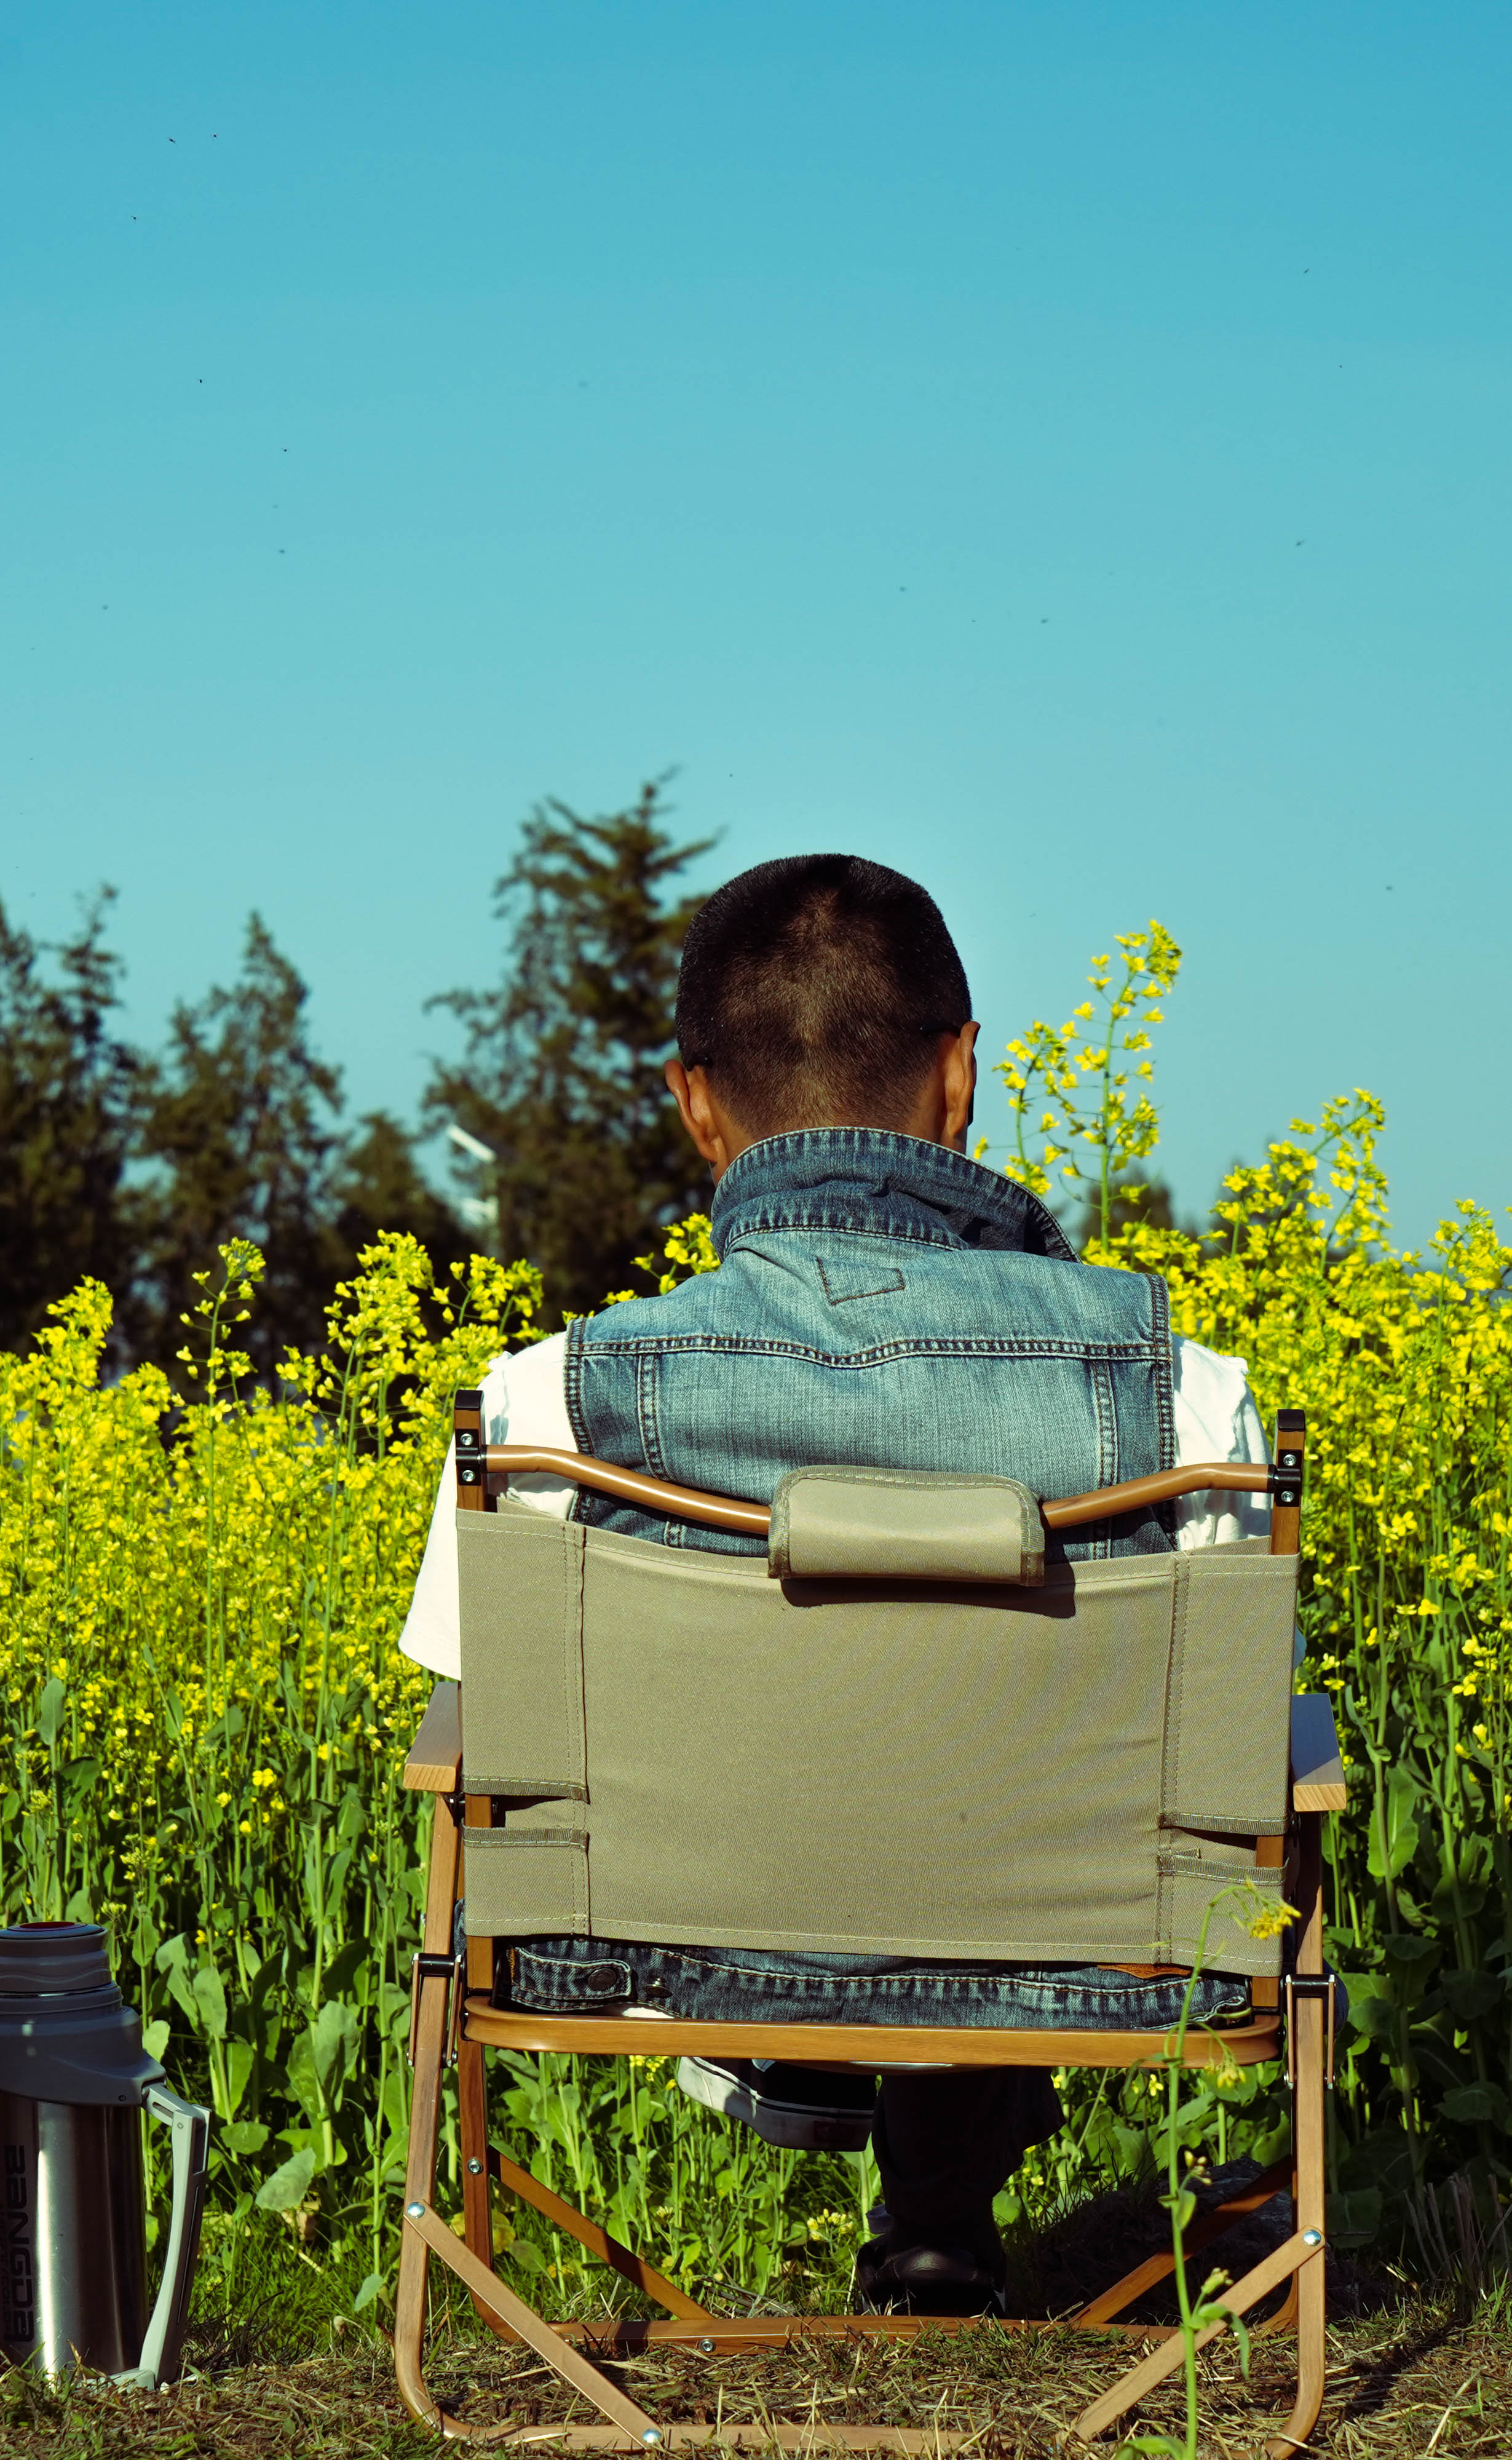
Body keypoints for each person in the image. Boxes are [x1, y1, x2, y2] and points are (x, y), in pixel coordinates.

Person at [402, 854, 1270, 2315]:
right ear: (960, 1073)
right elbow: (1234, 1751)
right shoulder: (1180, 1398)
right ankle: (942, 2210)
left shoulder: (547, 1402)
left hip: (663, 1946)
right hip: (1089, 1962)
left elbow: (470, 1733)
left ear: (693, 1100)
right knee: (980, 1766)